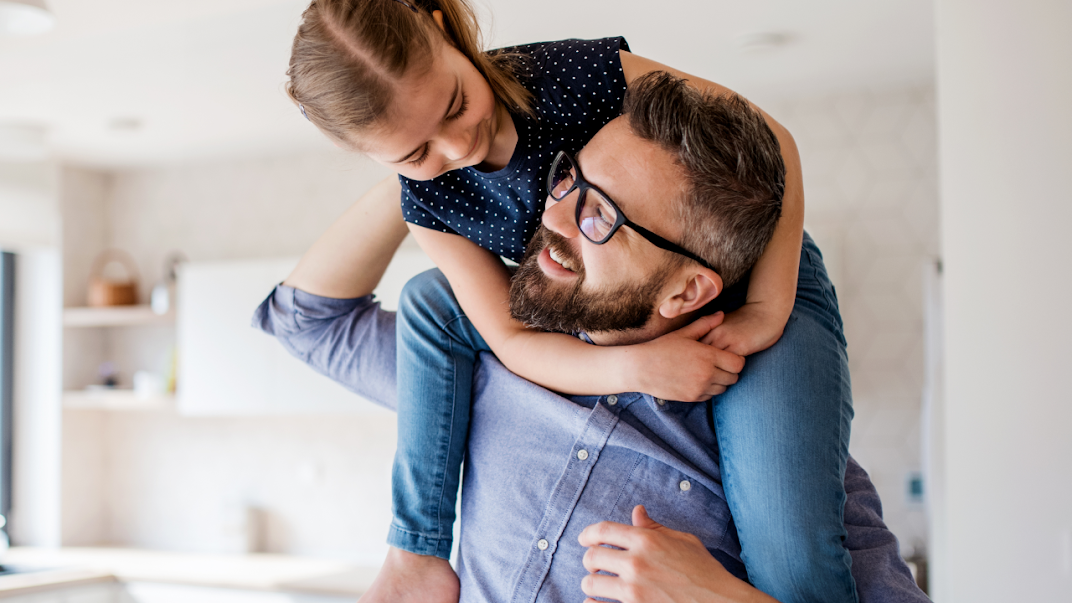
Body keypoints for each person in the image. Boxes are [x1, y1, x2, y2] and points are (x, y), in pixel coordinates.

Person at [252, 72, 928, 603]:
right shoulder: (477, 369)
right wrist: (429, 164)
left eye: (601, 215)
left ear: (687, 291)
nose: (554, 214)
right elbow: (306, 320)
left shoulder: (787, 458)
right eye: (570, 176)